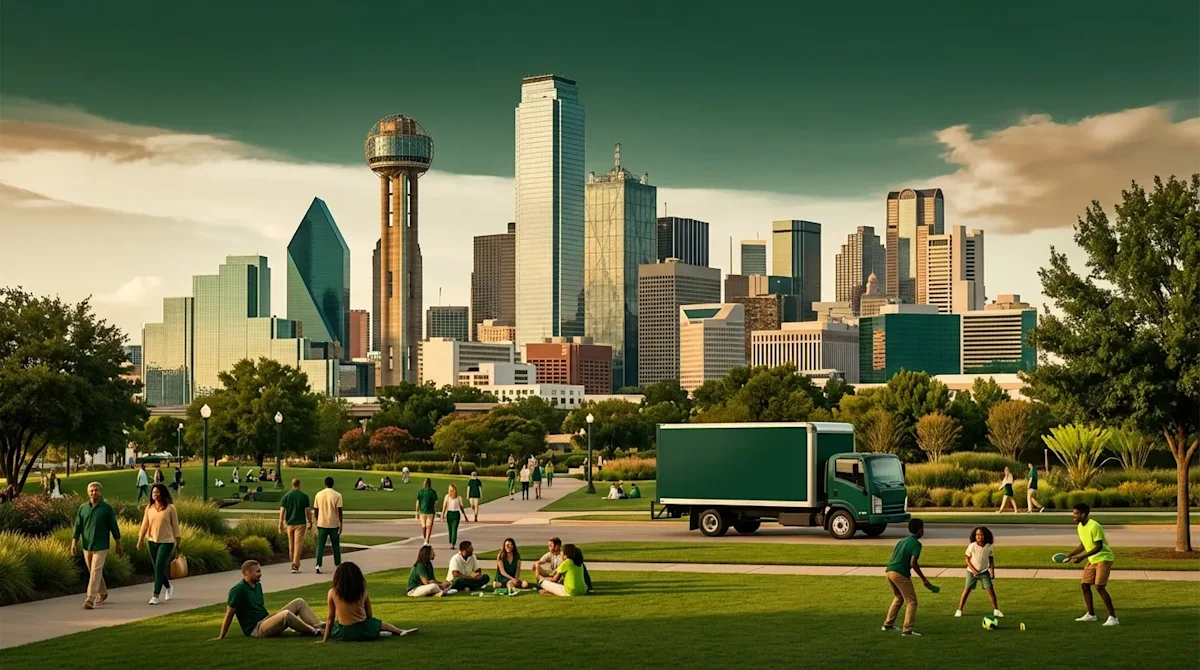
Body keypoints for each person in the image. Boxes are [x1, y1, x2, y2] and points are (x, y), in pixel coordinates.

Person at [215, 560, 324, 639]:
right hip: (256, 629)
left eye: (260, 571)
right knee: (286, 614)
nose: (260, 574)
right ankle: (314, 632)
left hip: (266, 620)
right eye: (257, 572)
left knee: (299, 602)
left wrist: (271, 618)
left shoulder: (257, 585)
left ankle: (320, 626)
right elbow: (229, 614)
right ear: (247, 573)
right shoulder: (238, 590)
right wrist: (221, 636)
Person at [321, 562, 417, 642]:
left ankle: (315, 630)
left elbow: (330, 618)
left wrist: (325, 640)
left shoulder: (332, 593)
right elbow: (369, 615)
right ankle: (400, 631)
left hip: (344, 633)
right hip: (362, 630)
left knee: (327, 627)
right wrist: (371, 627)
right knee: (378, 623)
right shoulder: (362, 592)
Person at [71, 481, 122, 610]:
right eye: (91, 490)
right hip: (87, 545)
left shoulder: (106, 508)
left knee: (95, 571)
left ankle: (90, 598)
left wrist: (118, 543)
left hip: (101, 545)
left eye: (96, 490)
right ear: (88, 493)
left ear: (100, 492)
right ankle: (103, 592)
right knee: (93, 571)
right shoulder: (83, 508)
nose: (94, 493)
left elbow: (113, 526)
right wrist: (74, 543)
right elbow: (77, 526)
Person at [1067, 503, 1118, 626]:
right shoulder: (1080, 526)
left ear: (1083, 514)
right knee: (1085, 585)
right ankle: (1091, 615)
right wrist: (1070, 555)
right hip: (1093, 560)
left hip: (1104, 558)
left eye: (1076, 513)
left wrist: (1082, 557)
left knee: (1099, 586)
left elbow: (1099, 546)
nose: (1073, 516)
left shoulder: (1094, 526)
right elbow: (1083, 544)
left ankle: (1113, 618)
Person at [882, 518, 934, 636]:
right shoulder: (916, 544)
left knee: (899, 597)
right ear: (920, 530)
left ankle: (888, 624)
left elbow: (893, 555)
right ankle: (907, 630)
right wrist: (924, 579)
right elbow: (913, 563)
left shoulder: (902, 541)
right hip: (900, 573)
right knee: (912, 602)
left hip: (889, 571)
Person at [137, 483, 182, 605]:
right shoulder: (149, 508)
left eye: (157, 492)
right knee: (157, 568)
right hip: (152, 540)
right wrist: (140, 539)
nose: (155, 494)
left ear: (162, 493)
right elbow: (144, 524)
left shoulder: (170, 508)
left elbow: (175, 525)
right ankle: (168, 587)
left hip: (166, 541)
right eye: (153, 492)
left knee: (159, 566)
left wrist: (178, 540)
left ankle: (155, 595)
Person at [955, 526, 1002, 618]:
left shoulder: (989, 547)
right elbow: (967, 559)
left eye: (981, 535)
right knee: (967, 589)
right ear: (974, 536)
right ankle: (959, 610)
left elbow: (991, 559)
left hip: (984, 572)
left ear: (986, 536)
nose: (979, 537)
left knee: (990, 590)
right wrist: (974, 570)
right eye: (977, 535)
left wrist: (992, 570)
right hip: (971, 572)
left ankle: (996, 610)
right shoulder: (972, 546)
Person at [278, 478, 313, 574]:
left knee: (291, 544)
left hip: (290, 523)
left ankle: (293, 562)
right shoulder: (304, 496)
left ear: (292, 484)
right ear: (299, 485)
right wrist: (310, 522)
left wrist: (280, 523)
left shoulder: (286, 496)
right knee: (298, 544)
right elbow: (307, 511)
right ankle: (295, 565)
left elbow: (282, 511)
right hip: (300, 523)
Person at [313, 477, 343, 575]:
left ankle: (318, 565)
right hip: (333, 524)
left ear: (325, 484)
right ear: (332, 484)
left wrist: (316, 521)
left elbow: (316, 510)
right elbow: (339, 512)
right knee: (335, 546)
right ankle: (338, 564)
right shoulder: (337, 495)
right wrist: (341, 524)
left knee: (320, 546)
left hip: (322, 523)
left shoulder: (319, 494)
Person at [441, 484, 467, 549]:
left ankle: (453, 543)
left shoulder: (458, 498)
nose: (451, 492)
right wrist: (442, 515)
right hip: (449, 513)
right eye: (450, 490)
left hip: (456, 514)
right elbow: (444, 507)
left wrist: (465, 516)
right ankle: (451, 541)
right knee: (450, 529)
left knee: (454, 529)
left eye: (452, 490)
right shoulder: (447, 497)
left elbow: (461, 507)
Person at [416, 478, 438, 545]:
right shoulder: (432, 492)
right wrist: (436, 510)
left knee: (424, 526)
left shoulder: (421, 491)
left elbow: (417, 502)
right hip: (430, 511)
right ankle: (426, 539)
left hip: (423, 511)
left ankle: (425, 539)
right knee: (428, 526)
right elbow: (436, 502)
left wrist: (416, 511)